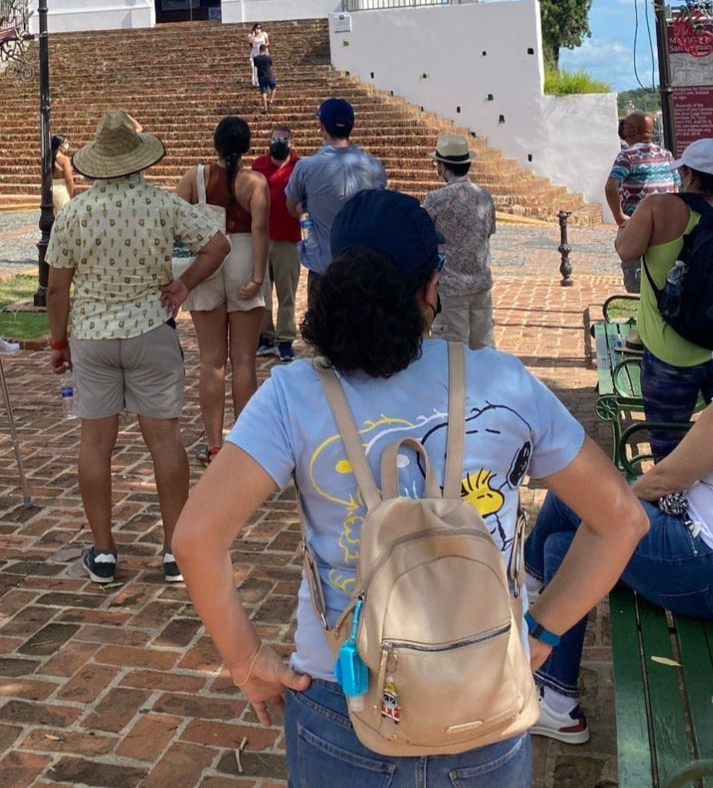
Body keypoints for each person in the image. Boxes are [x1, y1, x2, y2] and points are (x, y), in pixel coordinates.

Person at [173, 188, 647, 782]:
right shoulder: (503, 383)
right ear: (432, 286)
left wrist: (247, 663)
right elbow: (621, 519)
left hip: (341, 688)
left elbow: (196, 538)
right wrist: (540, 633)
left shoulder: (292, 395)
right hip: (484, 686)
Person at [526, 300, 713, 743]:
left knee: (578, 497)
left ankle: (524, 595)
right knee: (563, 548)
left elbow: (664, 478)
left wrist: (617, 507)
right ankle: (557, 701)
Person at [47, 109, 230, 586]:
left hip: (92, 335)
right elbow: (217, 246)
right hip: (150, 327)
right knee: (165, 442)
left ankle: (104, 551)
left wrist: (59, 339)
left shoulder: (76, 212)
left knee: (94, 444)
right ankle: (173, 551)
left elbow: (56, 289)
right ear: (138, 158)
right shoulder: (161, 204)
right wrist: (183, 285)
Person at [614, 137, 713, 462]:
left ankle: (672, 504)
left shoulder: (657, 207)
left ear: (689, 176)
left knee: (667, 453)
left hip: (666, 354)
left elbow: (626, 250)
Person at [175, 116, 270, 464]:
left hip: (208, 256)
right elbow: (261, 230)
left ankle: (215, 443)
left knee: (211, 359)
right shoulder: (254, 182)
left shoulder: (194, 178)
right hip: (244, 256)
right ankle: (245, 444)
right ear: (245, 147)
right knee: (244, 360)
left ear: (215, 144)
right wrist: (258, 276)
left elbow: (175, 221)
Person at [285, 97, 387, 306]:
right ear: (352, 126)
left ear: (322, 127)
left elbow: (291, 208)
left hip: (324, 267)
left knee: (322, 334)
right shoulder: (374, 167)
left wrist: (308, 204)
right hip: (362, 268)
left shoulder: (306, 167)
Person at [423, 133, 497, 349]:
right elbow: (488, 232)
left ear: (443, 165)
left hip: (450, 289)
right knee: (484, 351)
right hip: (480, 284)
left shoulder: (436, 199)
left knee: (453, 356)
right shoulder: (484, 196)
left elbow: (423, 237)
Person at [604, 112, 678, 292]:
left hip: (638, 226)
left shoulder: (627, 156)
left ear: (634, 130)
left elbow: (610, 187)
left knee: (638, 283)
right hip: (666, 229)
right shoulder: (667, 155)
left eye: (626, 125)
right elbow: (676, 189)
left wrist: (620, 217)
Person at [252, 125, 301, 363]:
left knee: (287, 292)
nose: (278, 143)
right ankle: (265, 337)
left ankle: (285, 340)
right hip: (262, 237)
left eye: (283, 139)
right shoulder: (258, 166)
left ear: (291, 143)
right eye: (274, 139)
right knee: (262, 292)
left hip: (288, 239)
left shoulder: (299, 167)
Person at [51, 134, 77, 216]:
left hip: (53, 189)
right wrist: (73, 195)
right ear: (59, 146)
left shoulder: (50, 158)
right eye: (65, 143)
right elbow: (69, 180)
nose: (67, 144)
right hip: (63, 190)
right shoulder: (64, 160)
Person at [252, 42, 277, 112]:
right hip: (269, 75)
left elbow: (255, 65)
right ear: (265, 50)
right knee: (274, 87)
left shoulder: (256, 58)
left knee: (263, 92)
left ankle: (265, 109)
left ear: (259, 50)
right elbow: (271, 64)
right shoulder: (268, 57)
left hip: (261, 76)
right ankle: (271, 101)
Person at [247, 22, 268, 87]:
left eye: (260, 28)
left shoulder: (264, 34)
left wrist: (263, 46)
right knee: (255, 68)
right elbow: (250, 42)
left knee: (265, 67)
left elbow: (267, 42)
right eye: (257, 28)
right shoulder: (250, 35)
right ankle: (256, 81)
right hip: (255, 52)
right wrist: (253, 35)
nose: (258, 29)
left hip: (263, 51)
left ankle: (265, 80)